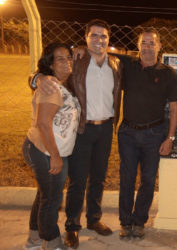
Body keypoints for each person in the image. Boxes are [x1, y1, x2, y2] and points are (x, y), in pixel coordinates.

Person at [31, 19, 123, 249]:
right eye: (94, 35)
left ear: (108, 39)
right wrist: (37, 79)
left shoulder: (116, 65)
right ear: (86, 37)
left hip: (106, 128)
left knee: (99, 178)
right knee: (78, 180)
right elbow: (48, 70)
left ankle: (94, 219)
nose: (99, 40)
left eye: (103, 36)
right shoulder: (76, 62)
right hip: (82, 129)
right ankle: (72, 227)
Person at [114, 28, 177, 240]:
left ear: (159, 47)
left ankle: (139, 221)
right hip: (128, 134)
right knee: (127, 178)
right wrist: (80, 49)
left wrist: (170, 138)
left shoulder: (168, 73)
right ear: (138, 46)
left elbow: (174, 108)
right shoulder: (128, 66)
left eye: (152, 43)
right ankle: (125, 222)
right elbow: (102, 52)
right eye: (144, 43)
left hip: (154, 133)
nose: (148, 47)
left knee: (148, 180)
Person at [22, 42, 80, 250]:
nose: (66, 63)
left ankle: (34, 239)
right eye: (60, 59)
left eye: (68, 58)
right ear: (50, 64)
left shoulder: (60, 84)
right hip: (45, 150)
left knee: (44, 195)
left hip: (50, 149)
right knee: (52, 199)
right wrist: (55, 156)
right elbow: (43, 123)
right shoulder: (51, 86)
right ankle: (52, 242)